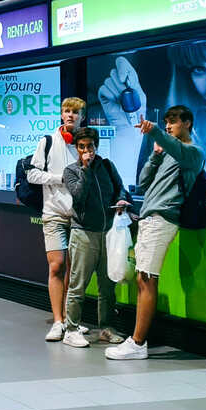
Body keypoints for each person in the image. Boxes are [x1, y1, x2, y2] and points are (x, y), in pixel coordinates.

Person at [98, 32, 206, 206]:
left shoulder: (194, 152)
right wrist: (126, 134)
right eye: (198, 69)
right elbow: (141, 187)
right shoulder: (204, 142)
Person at [107, 105, 204, 361]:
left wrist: (155, 132)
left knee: (148, 279)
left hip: (163, 220)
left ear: (188, 123)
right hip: (149, 219)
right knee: (142, 279)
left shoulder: (193, 154)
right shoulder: (167, 155)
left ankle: (138, 343)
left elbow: (178, 148)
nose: (169, 125)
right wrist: (155, 155)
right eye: (166, 122)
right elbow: (143, 182)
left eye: (173, 121)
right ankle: (136, 341)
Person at [59, 127, 132, 348]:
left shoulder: (107, 166)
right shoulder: (71, 171)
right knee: (78, 285)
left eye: (90, 146)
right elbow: (79, 196)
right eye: (82, 147)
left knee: (107, 286)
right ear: (76, 148)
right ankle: (71, 329)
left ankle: (107, 328)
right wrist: (86, 170)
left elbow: (121, 188)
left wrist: (120, 200)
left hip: (108, 233)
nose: (86, 150)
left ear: (96, 146)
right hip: (83, 233)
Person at [25, 96, 83, 341]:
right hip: (53, 214)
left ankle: (71, 321)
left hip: (80, 216)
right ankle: (57, 322)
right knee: (57, 265)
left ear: (81, 116)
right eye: (67, 111)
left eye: (75, 112)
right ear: (61, 114)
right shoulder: (47, 141)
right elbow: (32, 174)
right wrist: (59, 178)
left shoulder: (85, 143)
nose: (70, 115)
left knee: (74, 270)